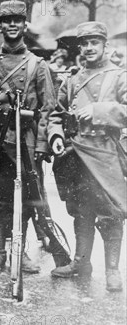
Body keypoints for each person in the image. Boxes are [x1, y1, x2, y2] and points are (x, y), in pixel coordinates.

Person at [0, 0, 56, 274]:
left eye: (17, 20)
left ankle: (19, 252)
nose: (12, 25)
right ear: (0, 26)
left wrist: (43, 145)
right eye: (6, 20)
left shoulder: (38, 65)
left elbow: (47, 108)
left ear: (24, 25)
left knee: (26, 199)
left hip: (27, 142)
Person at [48, 21, 126, 292]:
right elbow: (55, 115)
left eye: (95, 42)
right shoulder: (72, 79)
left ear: (105, 45)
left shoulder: (119, 76)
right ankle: (81, 263)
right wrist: (56, 136)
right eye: (85, 43)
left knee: (111, 213)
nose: (89, 48)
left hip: (105, 154)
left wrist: (98, 109)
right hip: (76, 154)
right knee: (81, 211)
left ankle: (112, 270)